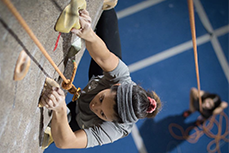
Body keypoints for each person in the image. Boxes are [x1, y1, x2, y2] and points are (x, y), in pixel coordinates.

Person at [40, 8, 162, 149]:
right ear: (116, 86)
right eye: (101, 99)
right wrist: (89, 34)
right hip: (99, 80)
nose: (94, 106)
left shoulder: (114, 130)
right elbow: (102, 56)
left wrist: (60, 108)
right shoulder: (121, 76)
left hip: (80, 119)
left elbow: (66, 142)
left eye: (102, 114)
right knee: (108, 16)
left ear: (112, 121)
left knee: (55, 132)